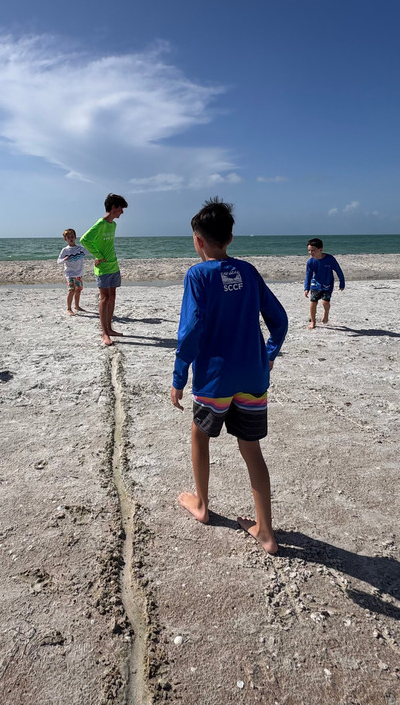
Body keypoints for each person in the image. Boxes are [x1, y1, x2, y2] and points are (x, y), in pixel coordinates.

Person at [170, 197, 288, 555]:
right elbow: (279, 320)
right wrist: (267, 354)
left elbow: (190, 331)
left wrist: (179, 376)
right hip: (252, 377)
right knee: (251, 449)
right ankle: (266, 532)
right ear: (230, 238)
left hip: (215, 380)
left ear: (198, 240)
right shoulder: (249, 272)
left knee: (199, 435)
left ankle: (203, 506)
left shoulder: (197, 275)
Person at [79, 193, 127, 346]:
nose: (122, 212)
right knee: (104, 298)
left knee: (112, 297)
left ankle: (110, 328)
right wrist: (98, 255)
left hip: (114, 265)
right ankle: (104, 333)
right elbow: (84, 240)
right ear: (113, 207)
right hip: (103, 268)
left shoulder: (113, 225)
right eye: (121, 208)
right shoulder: (100, 223)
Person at [303, 237, 345, 329]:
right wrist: (306, 288)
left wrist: (342, 283)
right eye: (309, 250)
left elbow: (338, 271)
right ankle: (313, 322)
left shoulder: (330, 259)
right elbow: (308, 275)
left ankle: (326, 313)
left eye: (313, 250)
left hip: (328, 284)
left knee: (325, 303)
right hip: (315, 284)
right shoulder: (310, 262)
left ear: (320, 249)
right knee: (313, 302)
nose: (310, 253)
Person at [57, 228, 87, 315]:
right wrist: (64, 259)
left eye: (72, 236)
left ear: (75, 237)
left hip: (79, 273)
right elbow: (58, 261)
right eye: (68, 237)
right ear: (65, 239)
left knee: (78, 290)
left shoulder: (81, 249)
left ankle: (77, 306)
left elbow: (92, 252)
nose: (71, 238)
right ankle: (69, 308)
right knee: (71, 290)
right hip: (69, 274)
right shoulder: (65, 250)